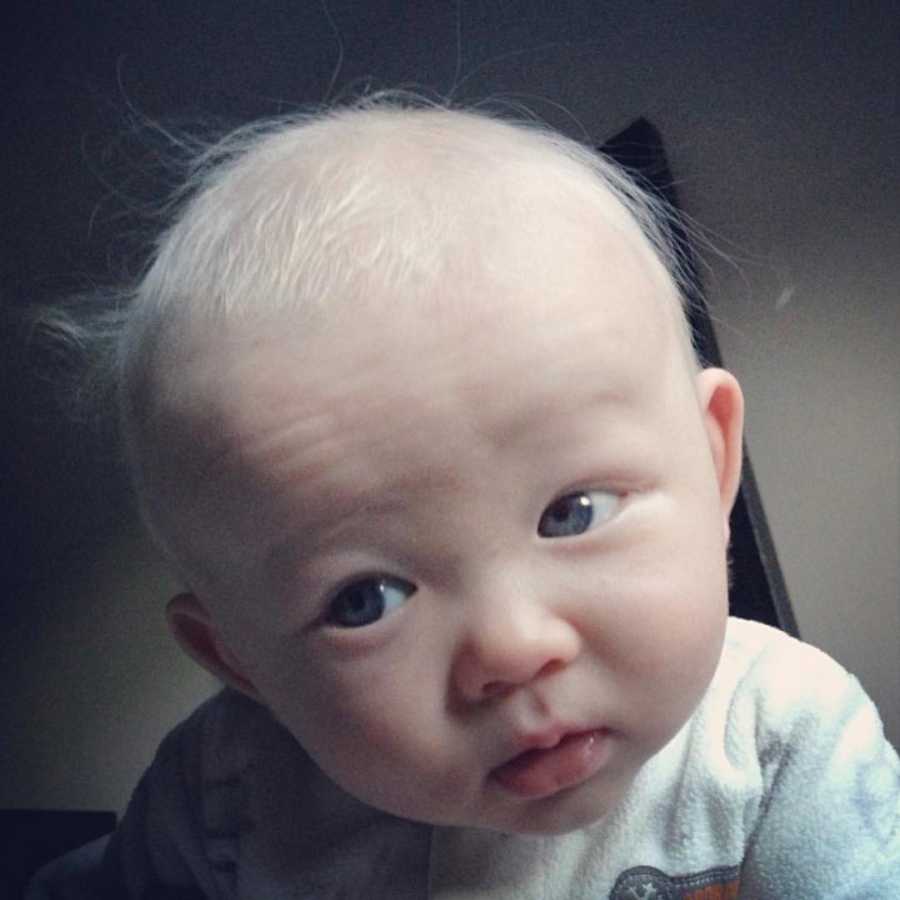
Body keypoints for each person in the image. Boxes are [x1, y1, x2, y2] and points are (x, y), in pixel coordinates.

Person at [28, 98, 899, 899]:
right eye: (363, 599)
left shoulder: (780, 736)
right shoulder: (222, 792)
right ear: (239, 661)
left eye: (575, 512)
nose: (513, 649)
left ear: (714, 466)